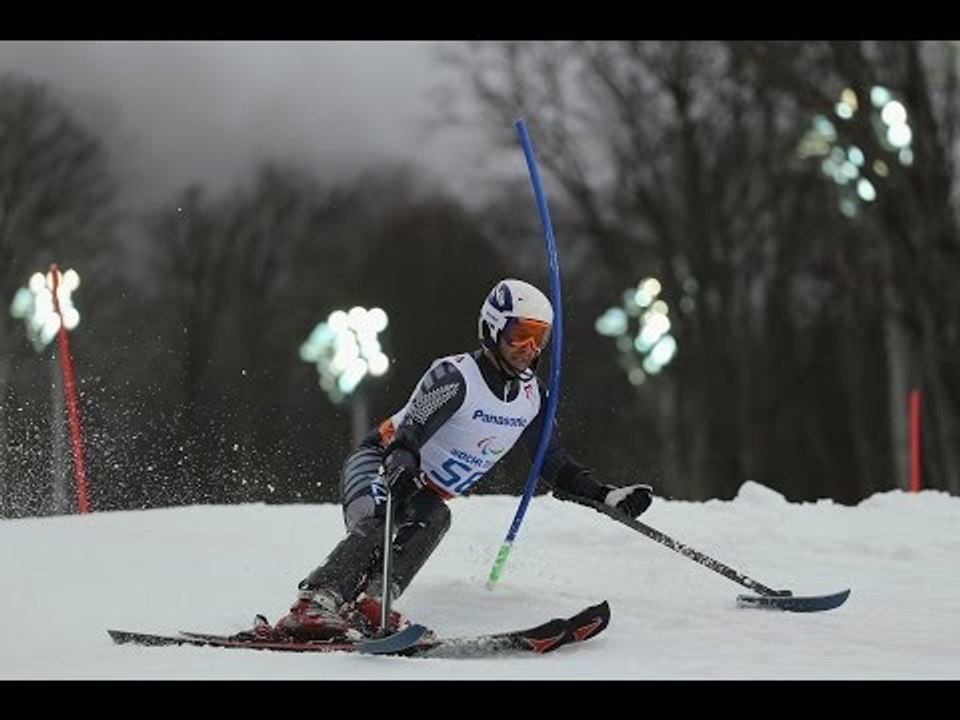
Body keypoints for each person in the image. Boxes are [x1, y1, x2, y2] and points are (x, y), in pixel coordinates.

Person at [271, 278, 654, 641]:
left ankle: (370, 605)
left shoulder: (532, 397)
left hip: (422, 489)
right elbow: (411, 431)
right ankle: (313, 603)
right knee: (377, 522)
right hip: (381, 461)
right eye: (519, 333)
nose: (528, 347)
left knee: (436, 516)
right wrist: (402, 461)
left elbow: (553, 464)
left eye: (538, 337)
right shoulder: (455, 376)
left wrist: (606, 495)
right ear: (492, 328)